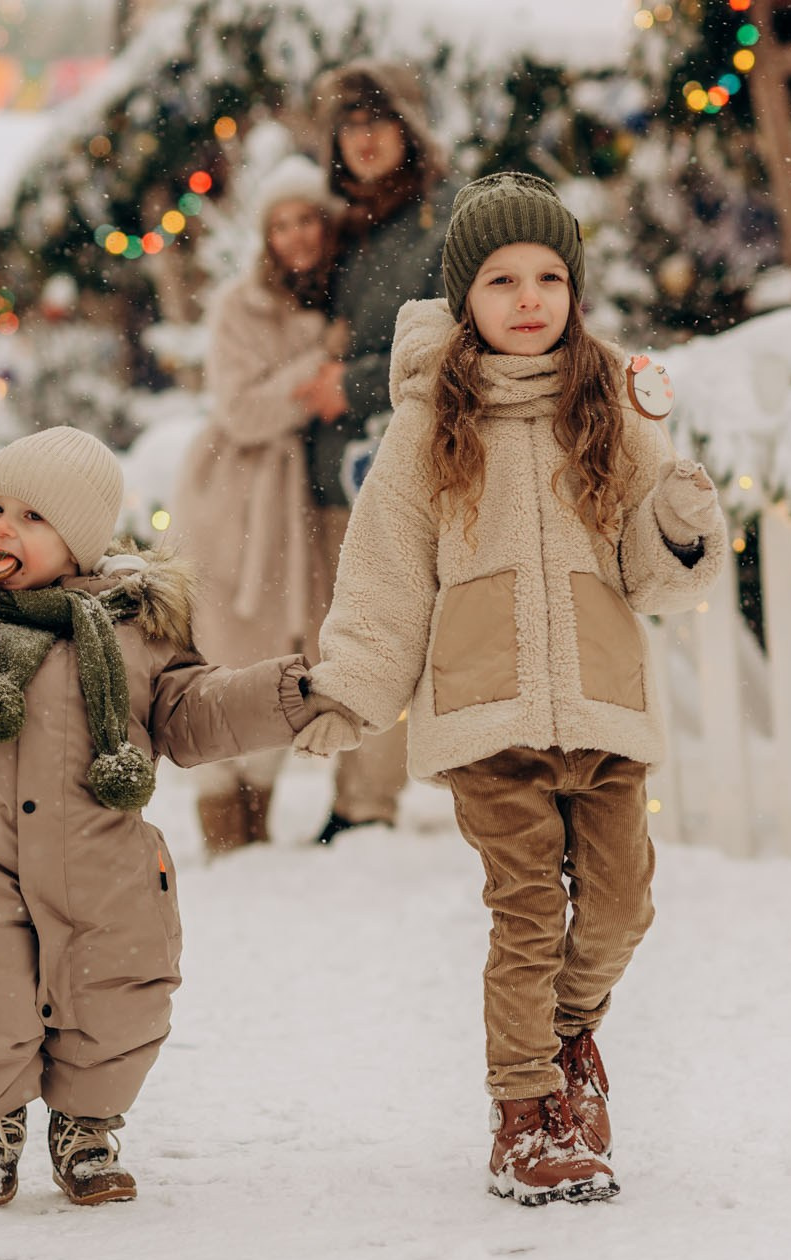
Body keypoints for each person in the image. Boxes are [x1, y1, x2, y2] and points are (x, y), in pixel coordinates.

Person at [295, 174, 728, 1205]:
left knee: (622, 906)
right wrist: (349, 691)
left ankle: (570, 1030)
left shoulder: (610, 409)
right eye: (500, 280)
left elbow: (652, 577)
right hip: (485, 717)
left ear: (573, 291)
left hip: (603, 705)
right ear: (462, 302)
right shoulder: (426, 424)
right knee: (526, 913)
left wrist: (677, 521)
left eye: (547, 277)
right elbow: (385, 573)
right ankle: (526, 1112)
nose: (527, 297)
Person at [0, 426, 359, 1208]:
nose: (0, 527)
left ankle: (86, 1125)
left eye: (32, 516)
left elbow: (194, 711)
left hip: (104, 859)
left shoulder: (137, 628)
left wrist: (290, 692)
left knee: (115, 994)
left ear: (82, 540)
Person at [296, 60, 463, 845]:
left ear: (409, 128)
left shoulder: (446, 216)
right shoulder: (345, 228)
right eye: (349, 125)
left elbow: (455, 337)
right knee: (348, 631)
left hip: (404, 461)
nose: (363, 139)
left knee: (389, 630)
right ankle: (352, 791)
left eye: (378, 121)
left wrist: (354, 384)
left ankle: (368, 805)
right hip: (334, 471)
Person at [174, 155, 347, 856]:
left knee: (283, 653)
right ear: (265, 235)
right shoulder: (236, 307)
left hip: (298, 502)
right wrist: (318, 366)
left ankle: (261, 824)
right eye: (282, 224)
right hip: (233, 498)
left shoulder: (342, 298)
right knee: (223, 651)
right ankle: (223, 829)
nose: (296, 236)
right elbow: (242, 410)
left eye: (307, 219)